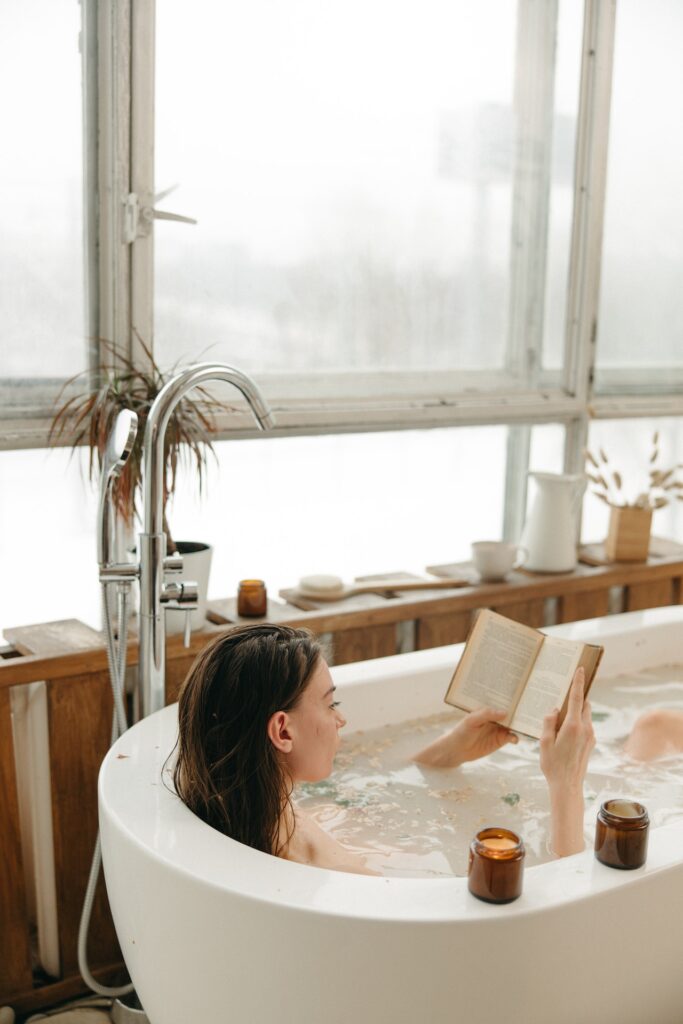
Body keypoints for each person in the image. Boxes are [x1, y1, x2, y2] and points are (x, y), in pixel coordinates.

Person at [172, 623, 595, 875]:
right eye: (330, 703)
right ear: (282, 732)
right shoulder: (335, 871)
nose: (341, 720)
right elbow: (562, 899)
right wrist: (566, 782)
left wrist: (450, 751)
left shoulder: (252, 816)